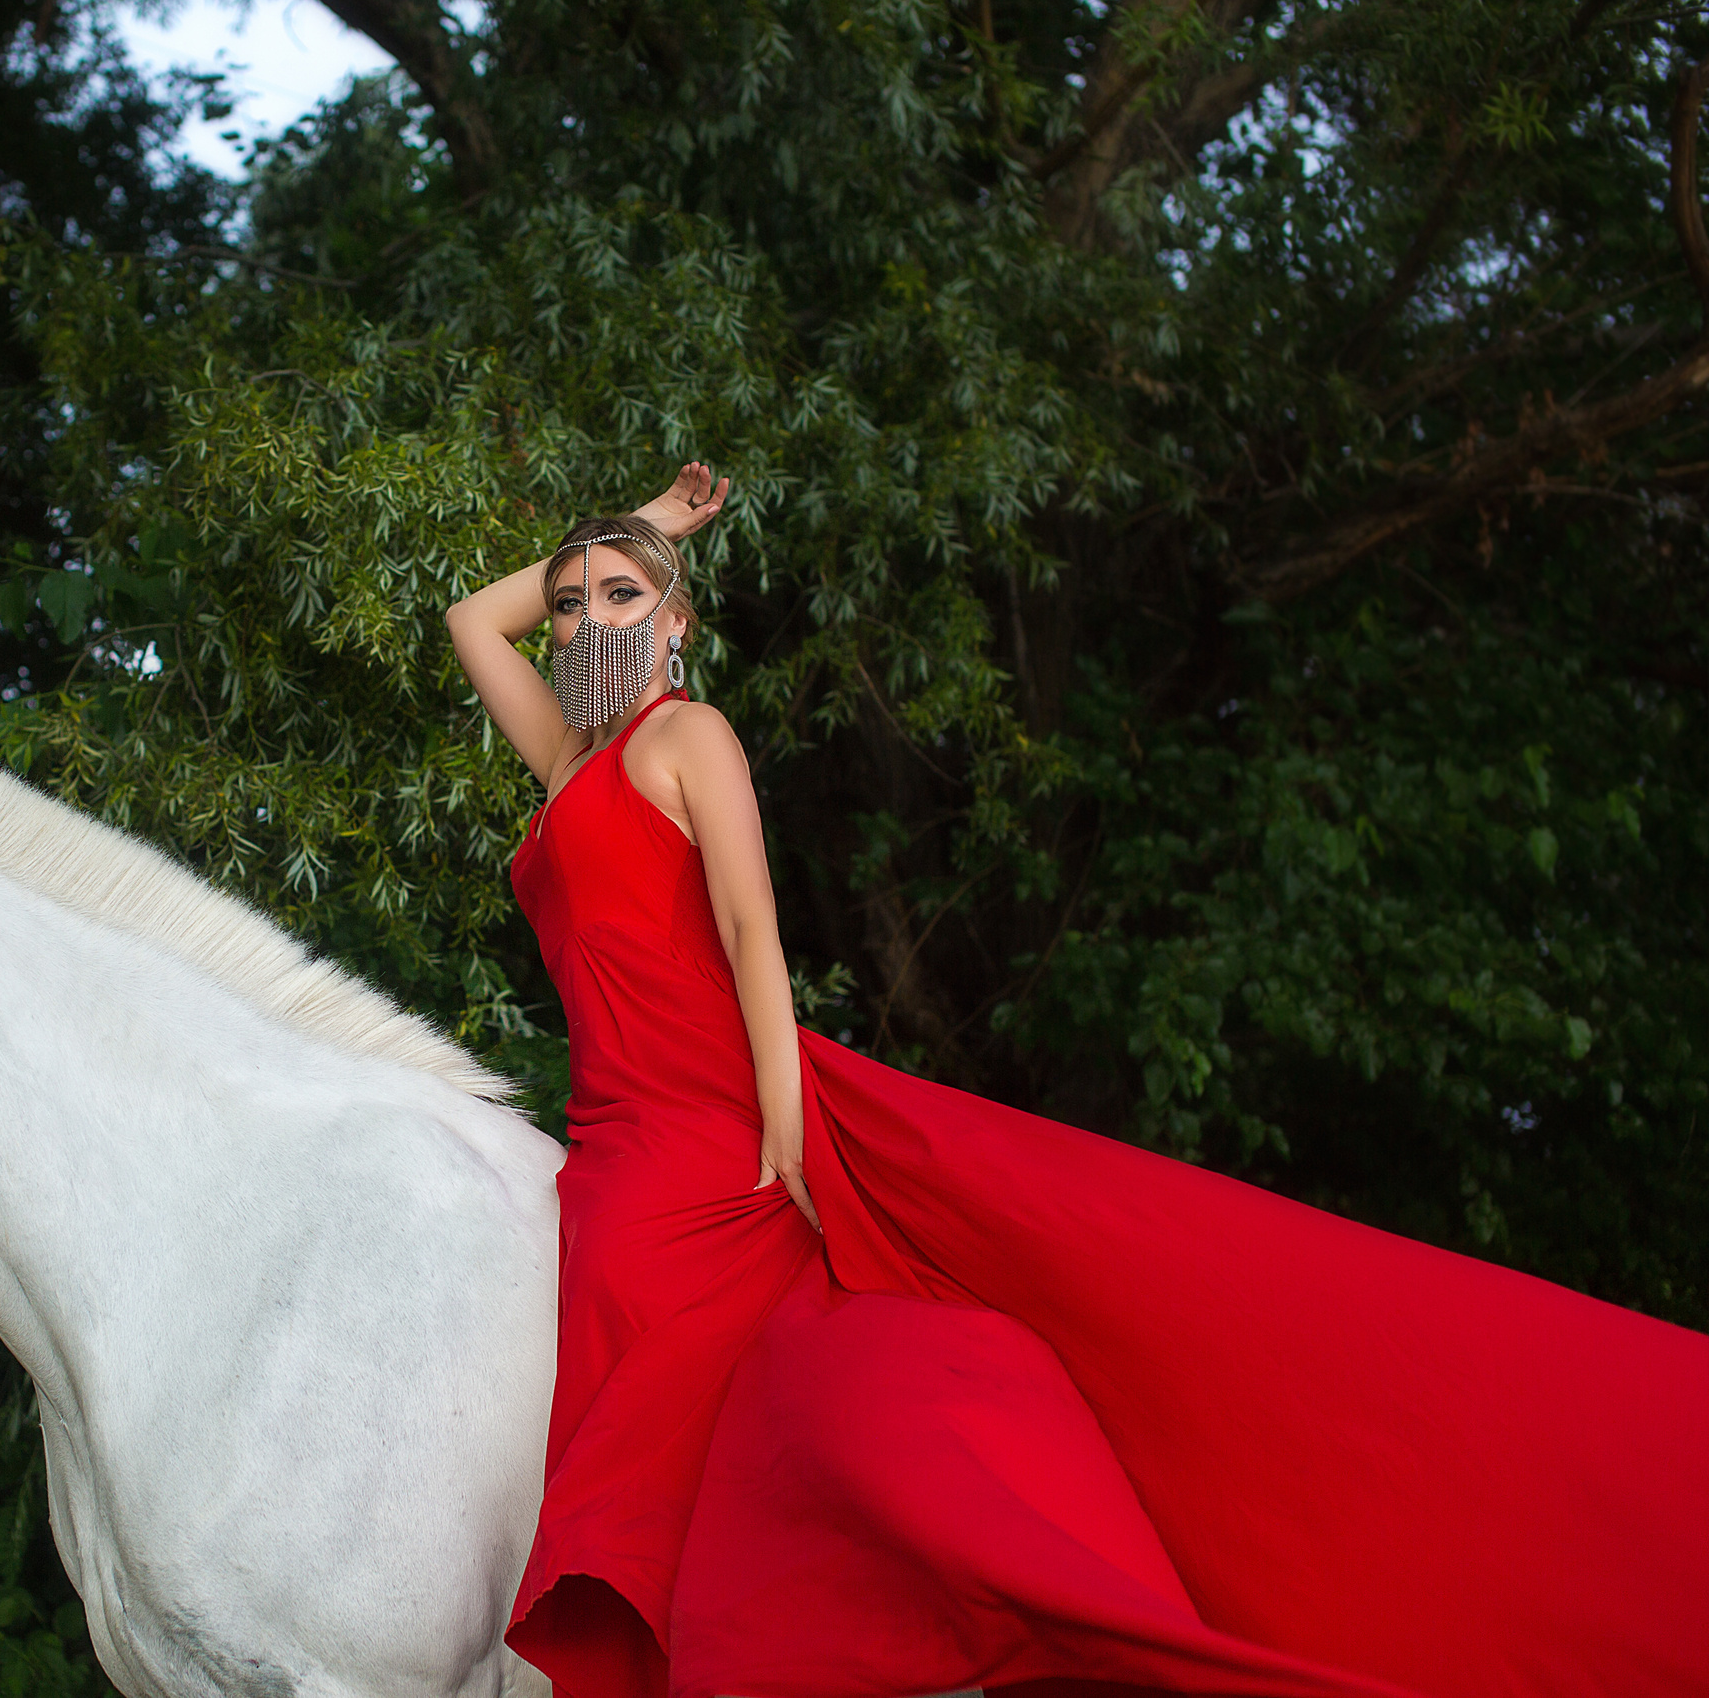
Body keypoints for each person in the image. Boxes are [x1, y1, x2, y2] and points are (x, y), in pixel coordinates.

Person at [444, 464, 1709, 1698]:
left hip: (711, 1138)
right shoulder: (564, 765)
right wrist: (645, 525)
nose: (585, 618)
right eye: (570, 602)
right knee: (634, 1450)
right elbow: (465, 617)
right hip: (609, 1153)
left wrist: (785, 1124)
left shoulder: (687, 736)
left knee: (707, 1443)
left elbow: (750, 932)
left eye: (623, 597)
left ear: (677, 624)